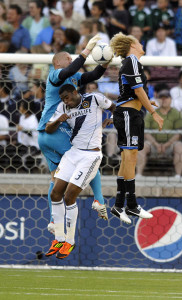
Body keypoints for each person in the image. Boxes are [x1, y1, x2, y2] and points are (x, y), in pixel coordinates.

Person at [37, 34, 110, 233]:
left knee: (56, 177)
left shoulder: (73, 77)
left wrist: (105, 63)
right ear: (56, 62)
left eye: (72, 57)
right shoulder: (54, 74)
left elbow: (91, 76)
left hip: (44, 135)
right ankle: (99, 200)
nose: (71, 59)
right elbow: (70, 69)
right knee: (89, 155)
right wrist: (85, 51)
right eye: (68, 57)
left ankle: (53, 221)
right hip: (56, 130)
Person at [45, 84, 115, 259]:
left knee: (69, 196)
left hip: (90, 156)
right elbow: (48, 128)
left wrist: (112, 118)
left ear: (75, 92)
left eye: (67, 97)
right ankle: (59, 238)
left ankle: (70, 240)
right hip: (73, 153)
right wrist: (57, 121)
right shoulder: (62, 107)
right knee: (55, 193)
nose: (65, 101)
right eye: (63, 99)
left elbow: (116, 107)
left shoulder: (94, 98)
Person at [109, 32, 164, 224]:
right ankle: (131, 204)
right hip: (127, 114)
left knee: (128, 158)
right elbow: (138, 90)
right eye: (138, 41)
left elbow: (134, 92)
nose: (141, 43)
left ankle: (118, 205)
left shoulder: (133, 63)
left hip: (131, 114)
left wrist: (148, 104)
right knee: (130, 157)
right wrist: (154, 113)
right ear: (131, 45)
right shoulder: (131, 60)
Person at [136, 89, 182, 180]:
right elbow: (146, 132)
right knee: (141, 147)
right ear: (157, 100)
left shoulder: (177, 113)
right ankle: (138, 175)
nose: (164, 100)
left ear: (170, 99)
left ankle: (178, 176)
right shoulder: (151, 113)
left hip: (171, 145)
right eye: (161, 98)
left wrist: (166, 145)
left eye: (166, 98)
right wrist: (156, 144)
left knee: (180, 147)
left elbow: (179, 133)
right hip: (153, 144)